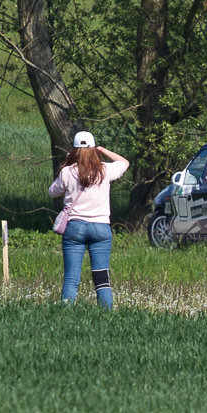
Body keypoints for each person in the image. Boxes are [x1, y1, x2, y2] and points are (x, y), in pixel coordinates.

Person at [49, 131, 127, 308]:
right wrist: (102, 149)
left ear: (74, 150)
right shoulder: (105, 170)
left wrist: (68, 162)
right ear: (93, 149)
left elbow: (52, 191)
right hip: (101, 228)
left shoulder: (67, 172)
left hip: (74, 228)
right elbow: (124, 162)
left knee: (71, 278)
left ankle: (65, 314)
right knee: (101, 279)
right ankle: (106, 317)